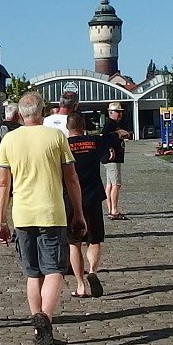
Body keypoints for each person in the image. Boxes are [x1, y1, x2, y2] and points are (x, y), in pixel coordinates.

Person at [0, 92, 86, 345]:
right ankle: (45, 318)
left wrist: (0, 219)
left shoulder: (9, 140)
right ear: (43, 112)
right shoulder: (56, 137)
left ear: (20, 115)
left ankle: (38, 328)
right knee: (55, 270)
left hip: (23, 215)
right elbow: (71, 178)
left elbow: (3, 184)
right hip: (52, 212)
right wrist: (78, 212)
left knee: (33, 273)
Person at [65, 112, 109, 299]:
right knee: (94, 239)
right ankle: (92, 271)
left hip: (70, 198)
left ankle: (81, 285)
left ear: (67, 127)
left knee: (74, 243)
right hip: (92, 197)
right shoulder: (94, 142)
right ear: (83, 126)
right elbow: (111, 138)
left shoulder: (63, 145)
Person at [101, 103, 132, 220]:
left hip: (114, 157)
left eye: (121, 112)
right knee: (116, 184)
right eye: (117, 112)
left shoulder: (115, 124)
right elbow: (104, 138)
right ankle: (114, 211)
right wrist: (110, 149)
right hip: (111, 158)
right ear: (110, 112)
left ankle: (111, 209)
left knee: (110, 184)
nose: (119, 114)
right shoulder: (110, 123)